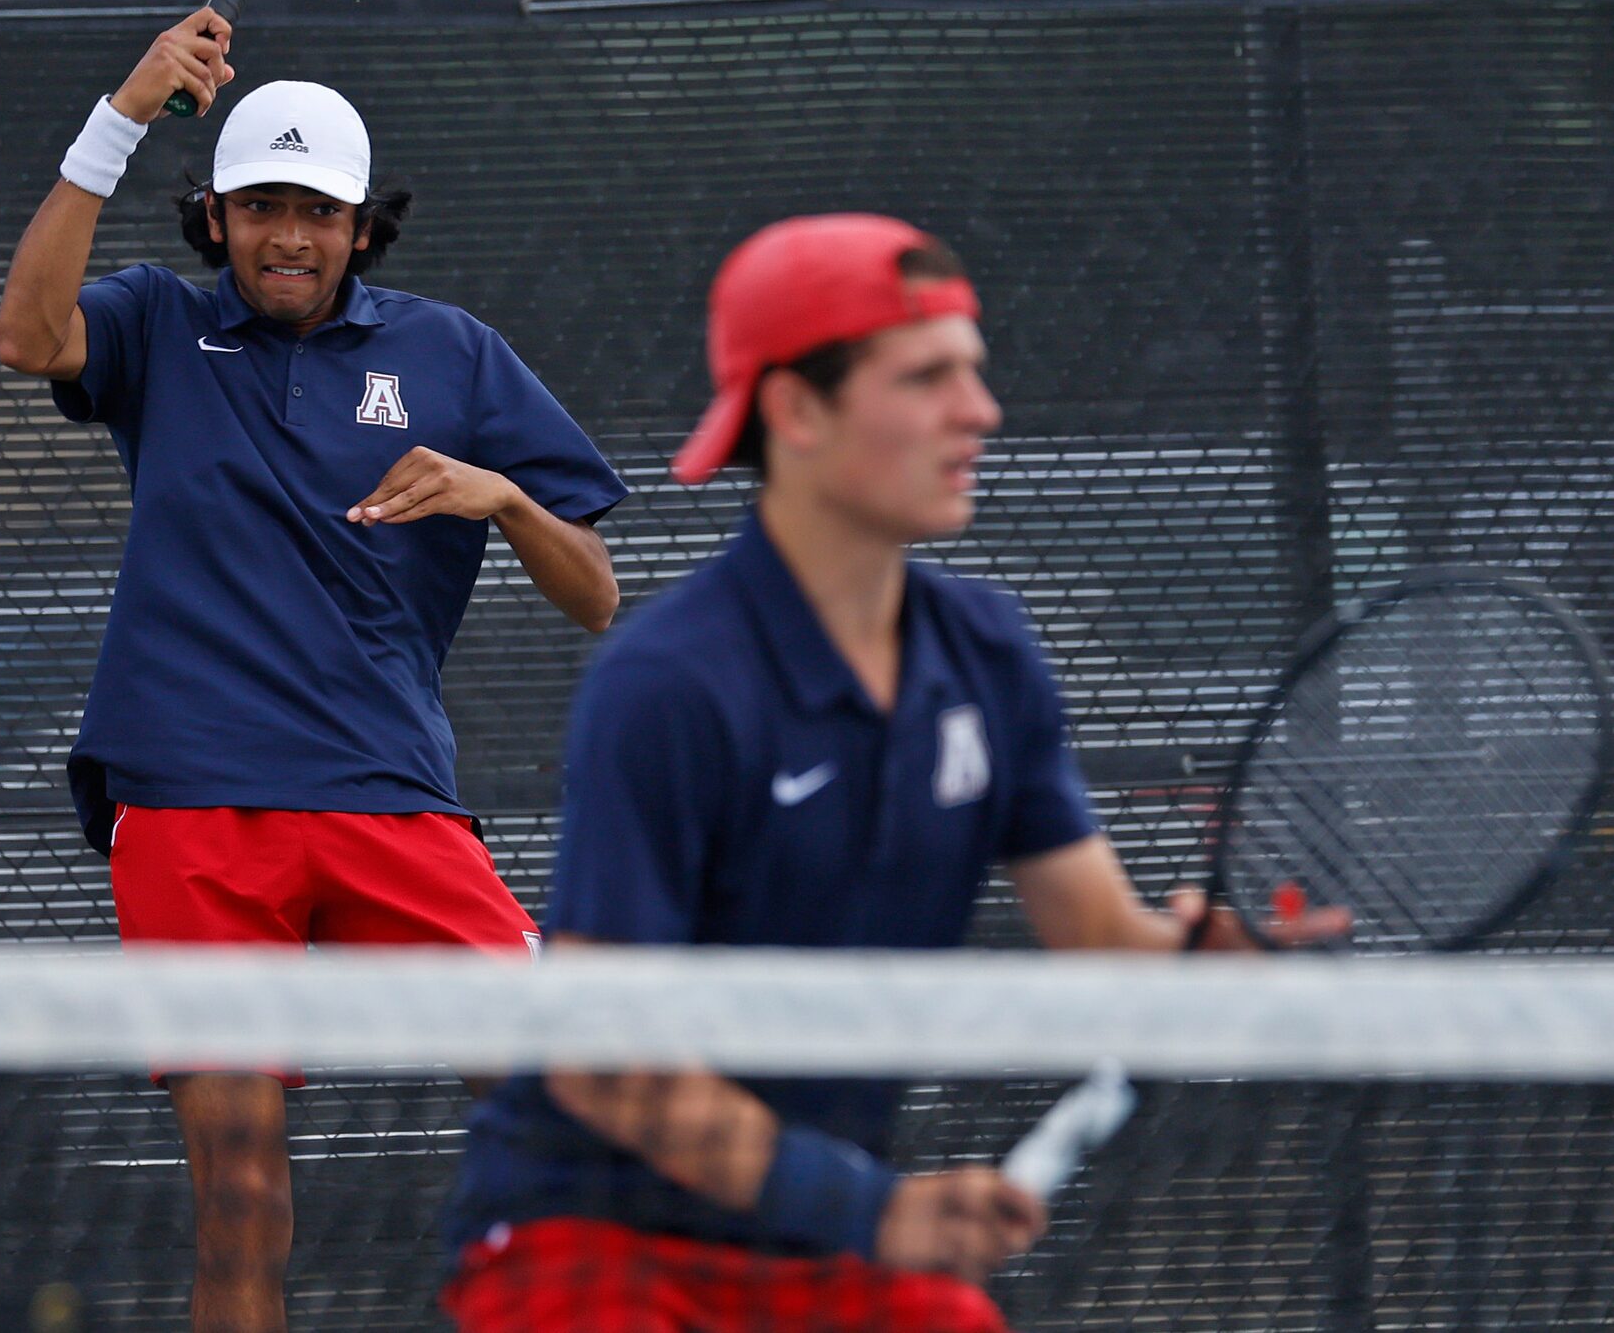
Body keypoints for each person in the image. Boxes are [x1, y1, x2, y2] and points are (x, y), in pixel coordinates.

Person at [440, 212, 1343, 1333]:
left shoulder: (988, 659)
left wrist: (1200, 952)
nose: (979, 411)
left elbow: (1108, 944)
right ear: (797, 409)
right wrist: (874, 1210)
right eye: (925, 377)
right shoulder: (668, 684)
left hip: (820, 1246)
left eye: (972, 371)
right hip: (588, 1243)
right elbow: (603, 1060)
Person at [0, 10, 628, 1333]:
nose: (290, 236)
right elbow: (26, 333)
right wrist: (122, 110)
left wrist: (502, 495)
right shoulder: (158, 326)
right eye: (263, 206)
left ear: (362, 226)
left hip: (389, 795)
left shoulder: (451, 352)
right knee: (239, 1192)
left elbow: (599, 597)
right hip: (188, 804)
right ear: (215, 216)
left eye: (319, 211)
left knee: (570, 1091)